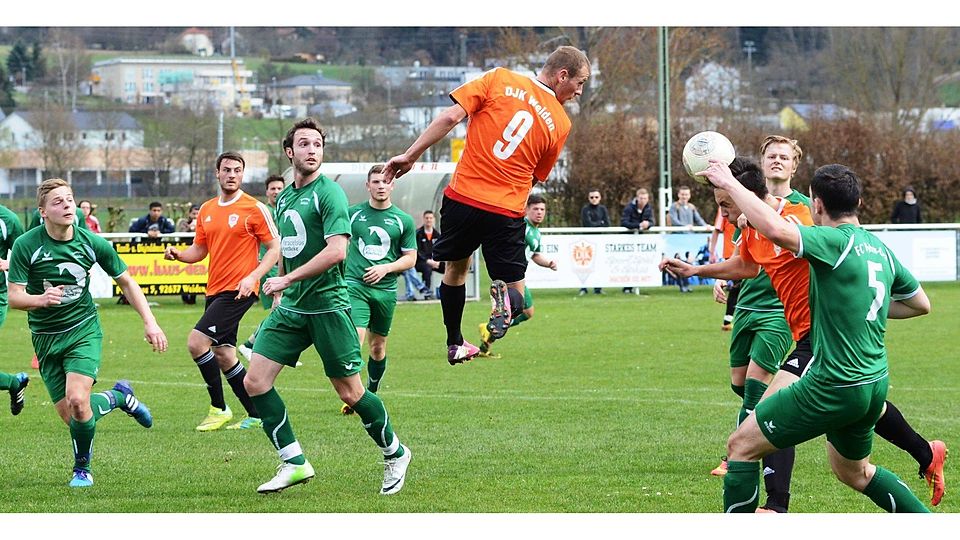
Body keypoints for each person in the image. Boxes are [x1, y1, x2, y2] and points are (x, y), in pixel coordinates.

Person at [663, 161, 946, 511]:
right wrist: (852, 304)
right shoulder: (879, 248)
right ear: (858, 203)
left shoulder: (830, 240)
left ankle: (774, 506)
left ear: (817, 206)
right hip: (874, 383)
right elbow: (920, 304)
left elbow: (780, 232)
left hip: (834, 383)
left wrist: (729, 184)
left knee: (740, 447)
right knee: (855, 473)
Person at [384, 45, 590, 365]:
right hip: (505, 209)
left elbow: (451, 116)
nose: (579, 91)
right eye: (580, 82)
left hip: (462, 198)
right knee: (518, 297)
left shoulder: (498, 78)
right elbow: (536, 176)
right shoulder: (560, 123)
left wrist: (410, 155)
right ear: (562, 75)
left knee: (455, 270)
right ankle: (505, 303)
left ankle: (454, 341)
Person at [243, 118, 410, 495]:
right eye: (304, 144)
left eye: (317, 144)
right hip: (292, 308)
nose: (312, 150)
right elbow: (287, 247)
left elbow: (338, 251)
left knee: (350, 392)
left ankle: (396, 453)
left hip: (329, 307)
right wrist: (281, 290)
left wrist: (287, 279)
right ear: (290, 152)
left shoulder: (329, 194)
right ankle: (294, 462)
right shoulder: (284, 196)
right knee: (254, 381)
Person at [7, 178, 167, 487]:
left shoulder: (91, 242)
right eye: (58, 201)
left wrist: (150, 322)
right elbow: (14, 295)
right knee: (74, 416)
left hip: (83, 331)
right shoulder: (27, 245)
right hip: (44, 338)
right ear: (42, 211)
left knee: (79, 401)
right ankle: (120, 398)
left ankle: (82, 469)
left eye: (69, 199)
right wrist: (39, 300)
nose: (67, 205)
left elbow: (127, 281)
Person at [164, 152, 280, 432]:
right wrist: (179, 255)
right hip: (215, 290)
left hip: (239, 290)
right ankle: (256, 413)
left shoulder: (254, 208)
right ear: (217, 173)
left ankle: (219, 408)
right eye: (226, 169)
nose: (231, 174)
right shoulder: (206, 209)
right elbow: (200, 250)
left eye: (237, 170)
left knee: (196, 342)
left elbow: (275, 247)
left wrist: (253, 276)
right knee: (225, 354)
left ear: (242, 175)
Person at [339, 164, 417, 415]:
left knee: (378, 347)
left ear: (392, 185)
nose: (381, 186)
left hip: (385, 290)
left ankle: (371, 390)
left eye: (385, 182)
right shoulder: (352, 214)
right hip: (355, 285)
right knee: (355, 339)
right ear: (368, 186)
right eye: (376, 182)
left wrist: (386, 268)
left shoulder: (403, 220)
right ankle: (356, 396)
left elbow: (411, 258)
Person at [478, 194, 557, 358]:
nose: (539, 212)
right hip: (511, 276)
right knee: (521, 311)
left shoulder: (536, 232)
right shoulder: (521, 226)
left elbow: (535, 255)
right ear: (527, 209)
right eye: (535, 209)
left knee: (526, 312)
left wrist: (548, 263)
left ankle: (486, 341)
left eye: (542, 209)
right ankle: (489, 329)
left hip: (519, 277)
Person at [239, 175, 286, 361]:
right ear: (267, 192)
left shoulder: (285, 209)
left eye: (279, 188)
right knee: (281, 309)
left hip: (281, 266)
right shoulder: (263, 211)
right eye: (273, 188)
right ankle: (250, 345)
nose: (276, 192)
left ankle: (257, 347)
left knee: (281, 310)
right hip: (269, 266)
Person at [1, 202, 29, 416]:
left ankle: (13, 383)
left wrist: (7, 264)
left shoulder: (8, 219)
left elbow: (27, 258)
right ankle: (13, 383)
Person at [707, 205, 738, 329]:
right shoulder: (723, 207)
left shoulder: (747, 201)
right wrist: (712, 251)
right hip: (731, 253)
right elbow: (717, 229)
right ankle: (728, 320)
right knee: (738, 287)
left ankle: (728, 320)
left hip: (746, 252)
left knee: (740, 287)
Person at [620, 187, 654, 293]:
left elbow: (652, 221)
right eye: (641, 198)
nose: (643, 200)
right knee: (628, 263)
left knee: (639, 263)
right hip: (628, 239)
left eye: (645, 198)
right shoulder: (629, 208)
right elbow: (624, 222)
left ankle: (636, 286)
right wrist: (638, 225)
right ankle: (627, 287)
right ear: (637, 198)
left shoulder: (648, 208)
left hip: (640, 240)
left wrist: (648, 224)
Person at [579, 189, 609, 295]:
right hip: (587, 242)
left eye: (596, 197)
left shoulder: (603, 209)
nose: (594, 199)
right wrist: (600, 223)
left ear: (600, 198)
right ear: (588, 198)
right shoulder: (585, 209)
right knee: (585, 265)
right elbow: (587, 224)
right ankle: (583, 288)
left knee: (599, 265)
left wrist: (597, 224)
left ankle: (598, 288)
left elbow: (607, 224)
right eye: (592, 197)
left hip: (600, 240)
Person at [414, 210, 442, 299]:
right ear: (423, 219)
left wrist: (437, 261)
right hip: (420, 262)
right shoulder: (418, 234)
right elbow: (416, 251)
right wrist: (427, 260)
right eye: (427, 218)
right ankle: (427, 293)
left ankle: (447, 291)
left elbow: (441, 249)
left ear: (433, 219)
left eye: (430, 218)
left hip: (435, 261)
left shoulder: (437, 234)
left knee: (449, 267)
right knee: (427, 269)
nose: (428, 220)